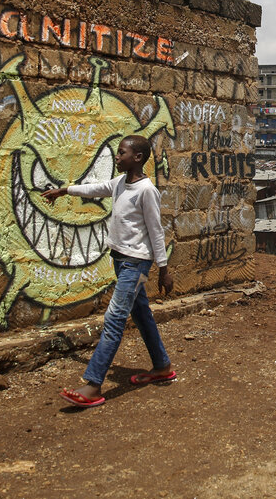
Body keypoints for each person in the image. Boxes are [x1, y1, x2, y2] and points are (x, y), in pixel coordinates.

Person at [42, 135, 174, 407]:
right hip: (121, 260)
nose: (117, 156)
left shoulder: (147, 191)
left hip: (135, 263)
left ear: (137, 157)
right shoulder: (120, 184)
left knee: (114, 318)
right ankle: (161, 366)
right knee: (141, 314)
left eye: (121, 152)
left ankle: (93, 385)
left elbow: (156, 231)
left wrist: (163, 269)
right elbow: (96, 188)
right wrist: (64, 191)